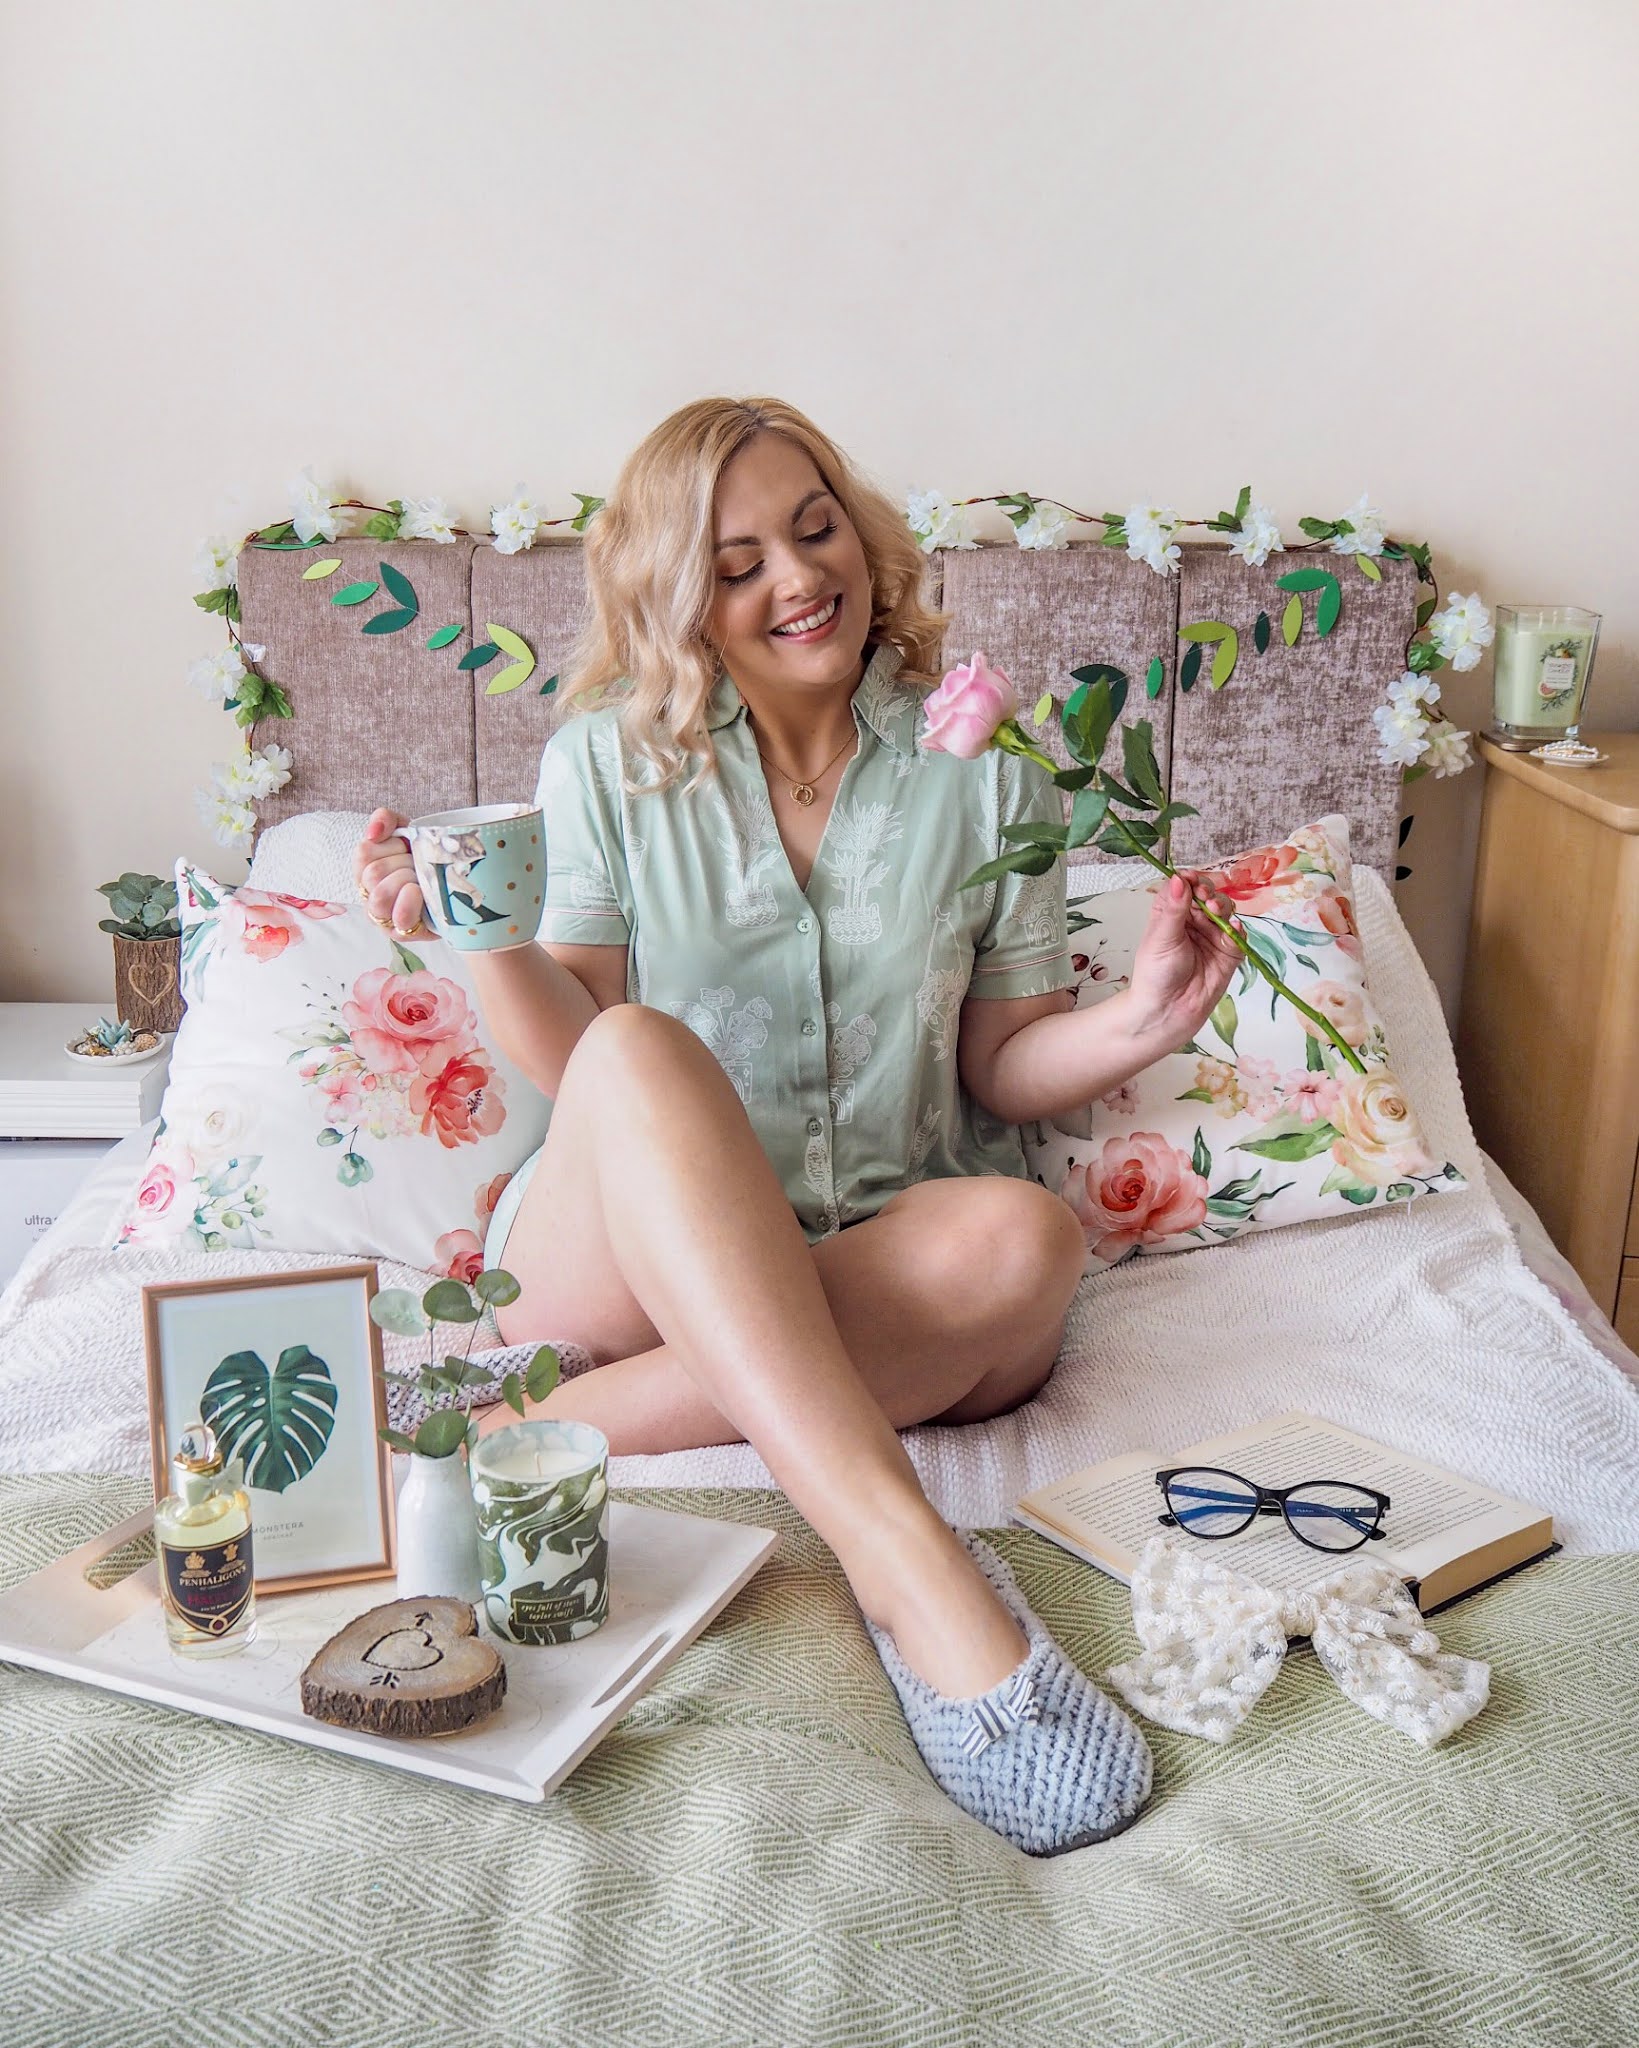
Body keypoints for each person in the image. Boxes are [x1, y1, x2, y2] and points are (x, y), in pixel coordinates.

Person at [354, 395, 1243, 1854]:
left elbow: (1002, 1063)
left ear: (862, 531)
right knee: (640, 1047)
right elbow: (580, 1066)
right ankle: (907, 1563)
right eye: (735, 560)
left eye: (813, 527)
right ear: (674, 598)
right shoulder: (605, 766)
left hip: (888, 1235)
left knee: (1026, 1234)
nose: (795, 577)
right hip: (620, 1261)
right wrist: (478, 937)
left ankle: (508, 1422)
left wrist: (1144, 1021)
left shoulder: (994, 770)